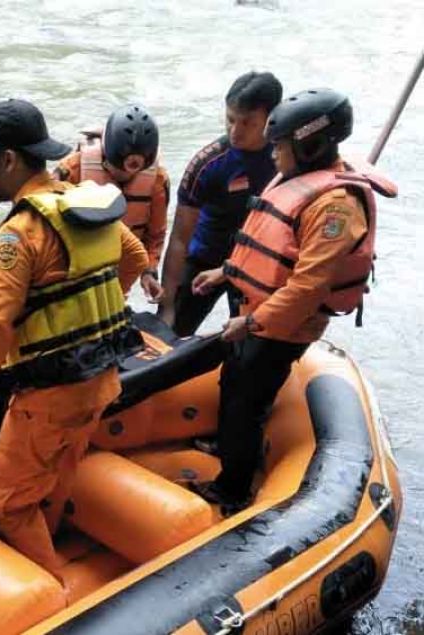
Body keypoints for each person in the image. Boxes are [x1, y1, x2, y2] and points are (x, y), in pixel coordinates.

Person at [0, 99, 146, 579]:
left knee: (11, 502)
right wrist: (91, 310)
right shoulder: (82, 203)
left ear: (9, 159)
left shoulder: (18, 237)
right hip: (102, 378)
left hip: (50, 396)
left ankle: (50, 594)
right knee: (56, 476)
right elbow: (136, 256)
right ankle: (51, 549)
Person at [190, 88, 397, 512]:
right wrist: (226, 271)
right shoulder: (296, 179)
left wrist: (250, 324)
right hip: (257, 310)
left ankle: (232, 488)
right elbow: (264, 240)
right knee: (233, 381)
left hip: (284, 324)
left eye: (280, 147)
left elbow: (306, 286)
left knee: (248, 397)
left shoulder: (337, 208)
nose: (273, 156)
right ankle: (228, 443)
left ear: (310, 145)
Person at [159, 71, 283, 335]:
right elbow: (179, 238)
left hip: (257, 263)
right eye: (230, 120)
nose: (235, 132)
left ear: (271, 118)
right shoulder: (207, 164)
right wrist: (167, 303)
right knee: (172, 333)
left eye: (248, 123)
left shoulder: (286, 157)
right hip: (205, 258)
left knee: (248, 344)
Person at [55, 103, 169, 302]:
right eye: (118, 170)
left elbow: (155, 234)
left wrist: (149, 272)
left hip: (119, 275)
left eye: (134, 172)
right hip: (73, 272)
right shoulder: (72, 169)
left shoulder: (157, 180)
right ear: (105, 156)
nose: (125, 177)